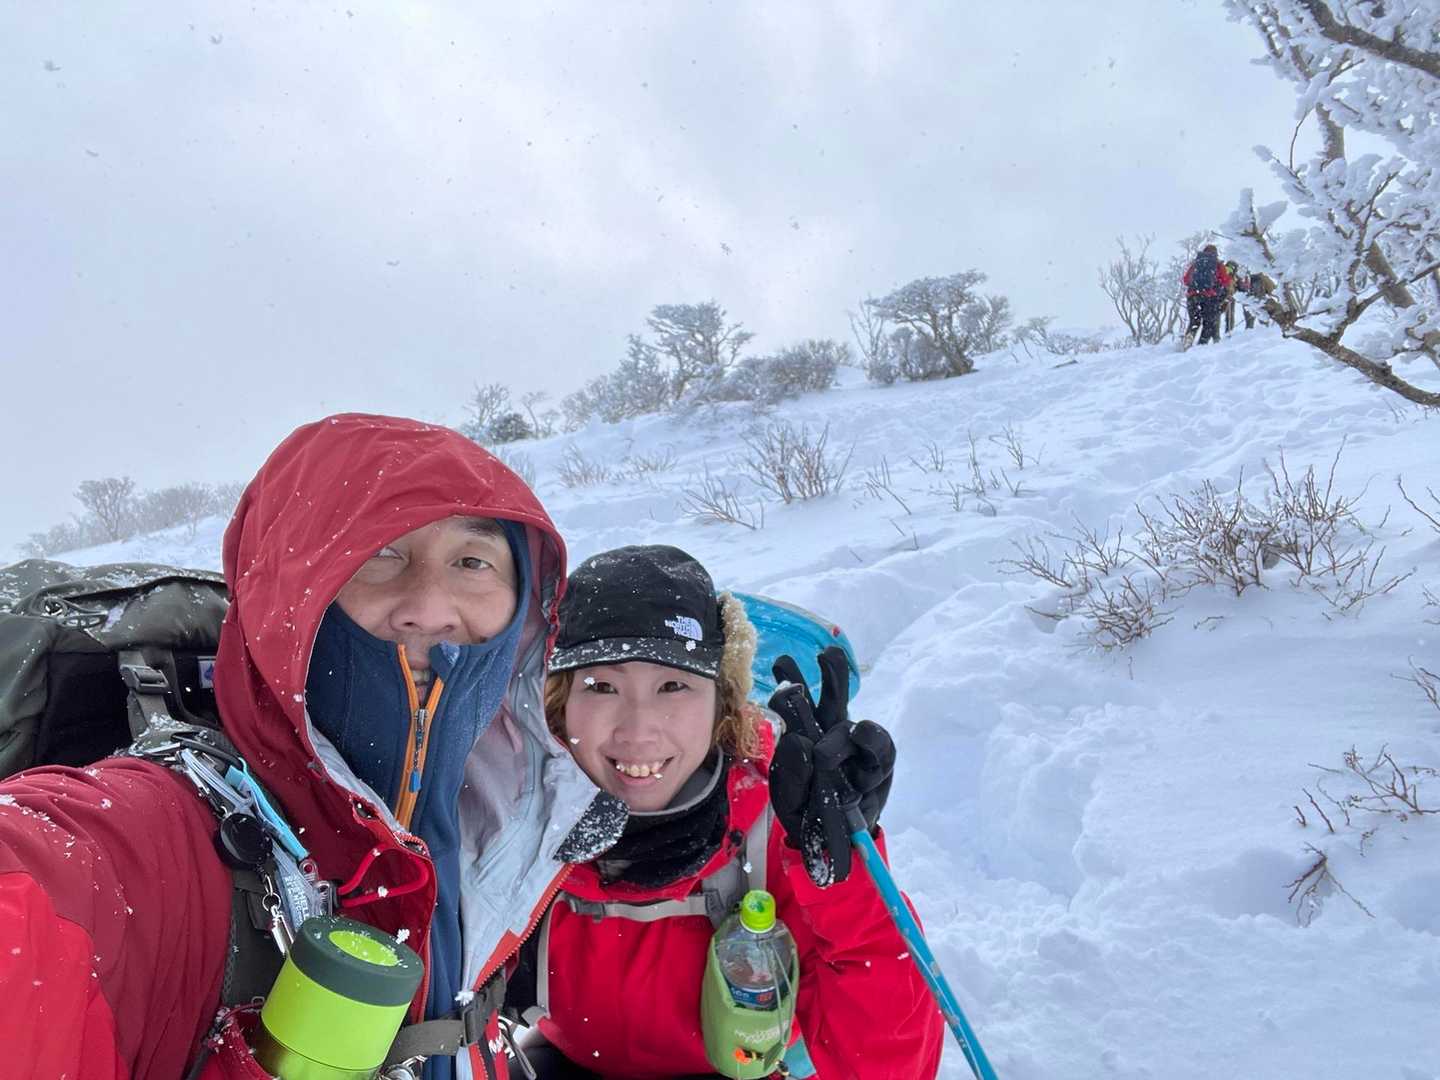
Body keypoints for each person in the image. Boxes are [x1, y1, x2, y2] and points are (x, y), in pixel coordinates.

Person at [0, 413, 618, 1079]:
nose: (430, 608)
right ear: (285, 591)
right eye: (380, 554)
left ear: (523, 608)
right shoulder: (143, 842)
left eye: (473, 562)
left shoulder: (504, 824)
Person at [513, 544, 945, 1079]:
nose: (639, 729)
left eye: (674, 685)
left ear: (723, 702)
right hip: (570, 1064)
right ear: (559, 704)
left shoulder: (781, 824)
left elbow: (888, 1068)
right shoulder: (516, 821)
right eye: (602, 686)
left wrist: (848, 886)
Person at [1182, 243, 1233, 346]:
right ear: (1216, 254)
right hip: (1210, 298)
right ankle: (1202, 345)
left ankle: (1189, 337)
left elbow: (1186, 280)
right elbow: (1226, 281)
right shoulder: (1218, 264)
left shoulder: (1196, 264)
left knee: (1194, 321)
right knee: (1208, 323)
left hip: (1193, 296)